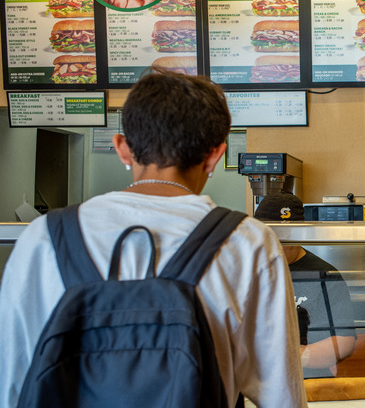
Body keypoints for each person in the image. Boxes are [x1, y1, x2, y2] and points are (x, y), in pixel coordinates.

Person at [0, 70, 307, 408]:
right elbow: (282, 397)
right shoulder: (247, 242)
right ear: (216, 155)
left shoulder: (43, 237)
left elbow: (12, 382)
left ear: (122, 148)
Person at [254, 193, 357, 379]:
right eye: (269, 236)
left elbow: (344, 342)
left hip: (309, 382)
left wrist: (293, 355)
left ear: (299, 235)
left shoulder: (325, 275)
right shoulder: (248, 270)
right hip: (256, 382)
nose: (276, 245)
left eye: (285, 238)